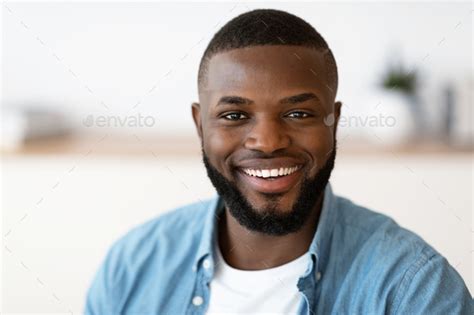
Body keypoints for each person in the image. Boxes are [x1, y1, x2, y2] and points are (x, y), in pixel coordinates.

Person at [84, 9, 472, 315]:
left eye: (299, 114)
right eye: (235, 115)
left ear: (333, 122)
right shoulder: (131, 268)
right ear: (200, 126)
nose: (268, 142)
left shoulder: (414, 290)